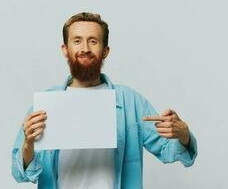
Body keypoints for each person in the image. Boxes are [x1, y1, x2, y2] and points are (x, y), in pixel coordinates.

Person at [11, 12, 197, 189]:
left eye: (93, 41)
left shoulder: (129, 101)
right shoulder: (45, 103)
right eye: (77, 41)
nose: (85, 48)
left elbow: (168, 150)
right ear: (65, 50)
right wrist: (28, 143)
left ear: (105, 50)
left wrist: (184, 134)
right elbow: (21, 173)